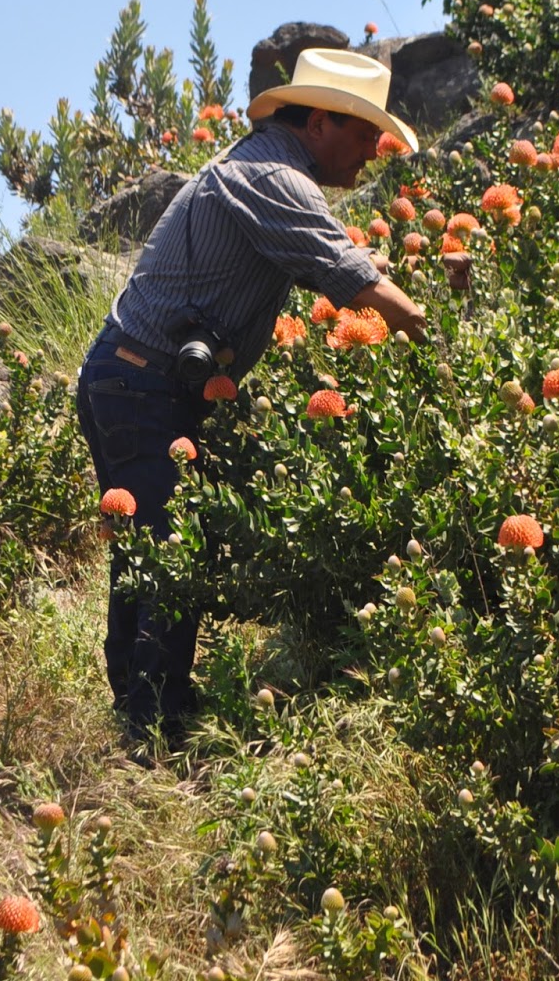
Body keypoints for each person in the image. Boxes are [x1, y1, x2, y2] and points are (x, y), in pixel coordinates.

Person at [77, 47, 452, 748]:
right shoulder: (276, 177)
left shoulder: (261, 167)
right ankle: (155, 735)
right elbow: (343, 271)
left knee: (149, 555)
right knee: (170, 561)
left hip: (126, 376)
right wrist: (427, 330)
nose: (374, 152)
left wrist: (399, 267)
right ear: (317, 123)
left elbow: (333, 255)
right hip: (144, 385)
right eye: (365, 134)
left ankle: (136, 723)